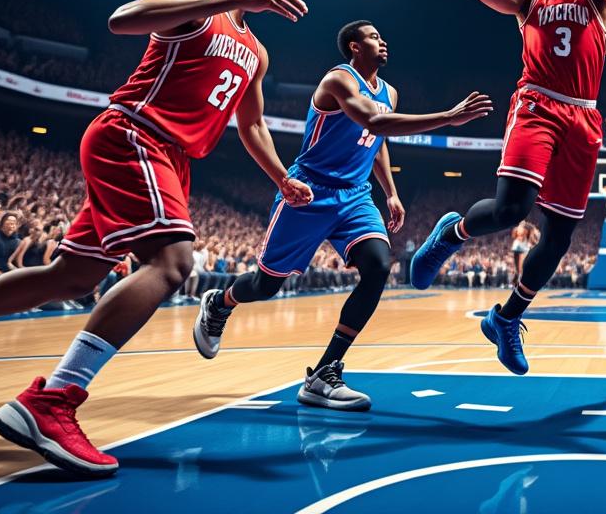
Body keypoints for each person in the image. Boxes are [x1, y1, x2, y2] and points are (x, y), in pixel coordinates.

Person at [0, 0, 310, 477]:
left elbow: (253, 123)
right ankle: (52, 401)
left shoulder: (257, 51)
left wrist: (282, 177)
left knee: (73, 274)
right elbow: (123, 19)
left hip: (170, 155)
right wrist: (234, 1)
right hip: (134, 134)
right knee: (174, 263)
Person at [192, 20, 491, 409]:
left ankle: (325, 371)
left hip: (355, 195)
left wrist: (392, 193)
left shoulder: (391, 92)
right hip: (309, 190)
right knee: (266, 285)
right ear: (353, 46)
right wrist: (448, 117)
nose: (382, 41)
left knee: (380, 266)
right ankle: (221, 302)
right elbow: (375, 122)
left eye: (383, 36)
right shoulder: (338, 80)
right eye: (373, 37)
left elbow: (378, 140)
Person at [410, 0, 606, 375]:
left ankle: (506, 318)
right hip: (537, 104)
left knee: (560, 236)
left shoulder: (599, 1)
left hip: (584, 117)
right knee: (512, 210)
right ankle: (452, 231)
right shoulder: (531, 1)